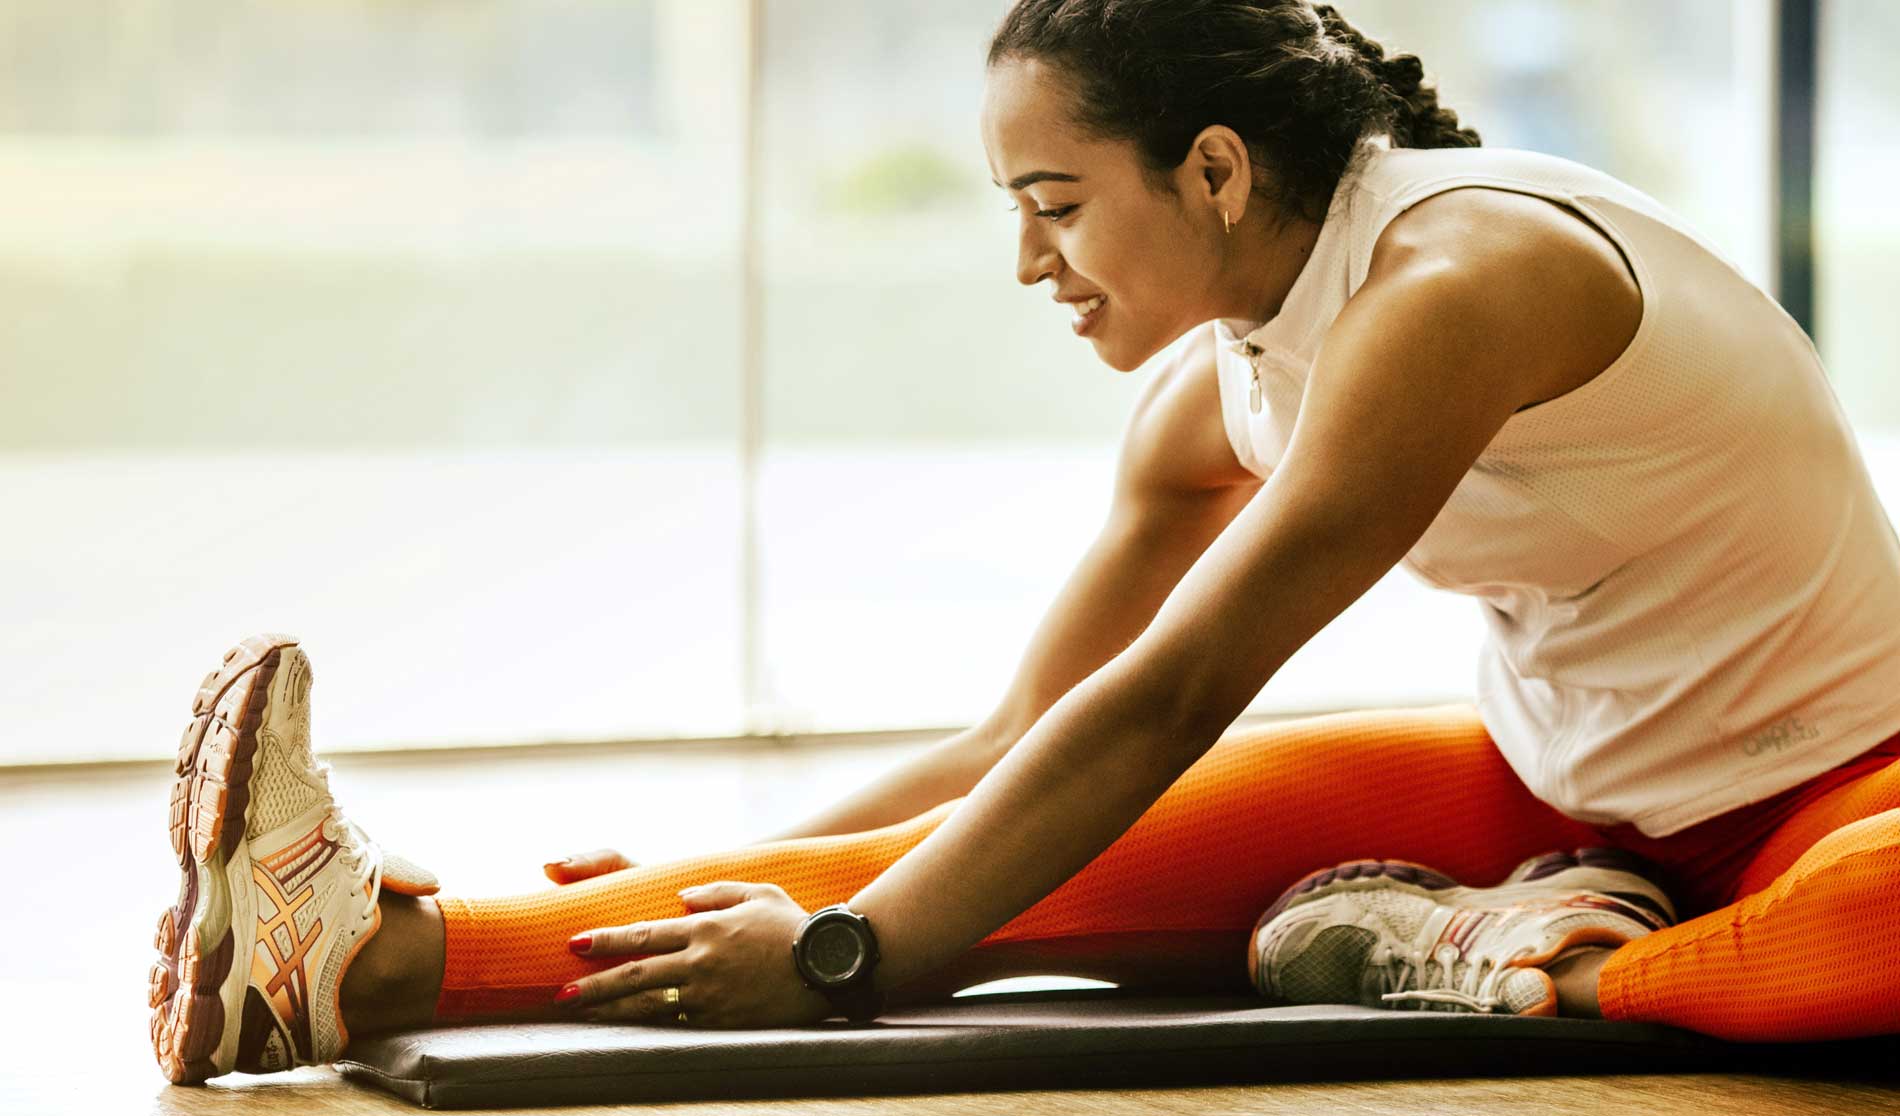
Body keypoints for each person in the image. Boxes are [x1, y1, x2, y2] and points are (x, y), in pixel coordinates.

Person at [149, 0, 1900, 1085]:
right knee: (984, 855)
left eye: (1056, 207)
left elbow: (1184, 685)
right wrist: (715, 891)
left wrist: (853, 962)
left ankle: (1549, 966)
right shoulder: (1221, 388)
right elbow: (1010, 751)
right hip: (1561, 798)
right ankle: (346, 959)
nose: (1029, 265)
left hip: (1844, 788)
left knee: (1876, 926)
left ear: (1213, 168)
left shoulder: (1460, 285)